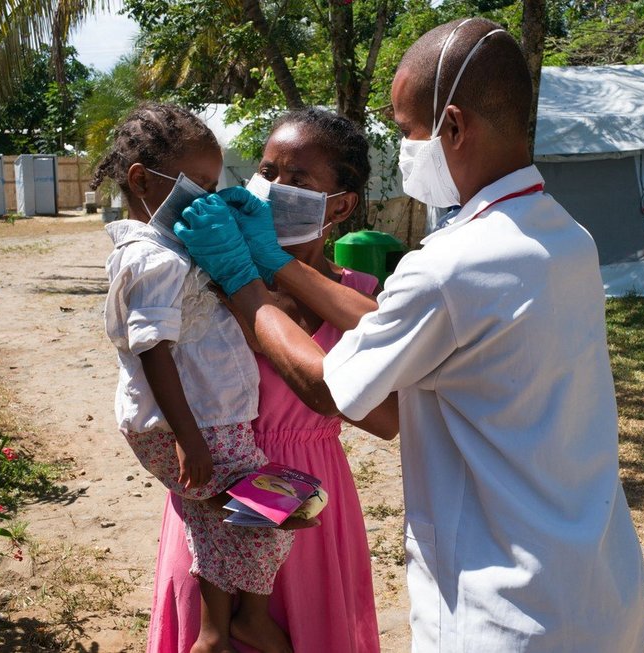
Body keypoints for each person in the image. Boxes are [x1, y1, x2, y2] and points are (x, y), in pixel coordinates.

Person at [175, 17, 644, 652]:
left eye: (407, 132)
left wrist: (241, 279)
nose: (404, 150)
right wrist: (281, 265)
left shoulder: (450, 264)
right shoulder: (563, 237)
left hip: (502, 609)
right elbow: (395, 325)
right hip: (598, 587)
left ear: (452, 127)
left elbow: (328, 389)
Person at [145, 108, 388, 653]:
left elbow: (385, 415)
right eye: (267, 171)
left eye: (297, 180)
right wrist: (239, 271)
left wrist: (274, 265)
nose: (272, 188)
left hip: (310, 503)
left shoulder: (356, 294)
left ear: (341, 205)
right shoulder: (205, 272)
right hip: (217, 489)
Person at [93, 102, 294, 653]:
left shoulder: (166, 247)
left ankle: (217, 629)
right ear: (141, 180)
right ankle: (231, 627)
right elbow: (152, 350)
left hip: (207, 417)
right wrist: (186, 437)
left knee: (226, 521)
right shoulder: (151, 259)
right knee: (263, 518)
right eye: (198, 184)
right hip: (195, 420)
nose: (206, 196)